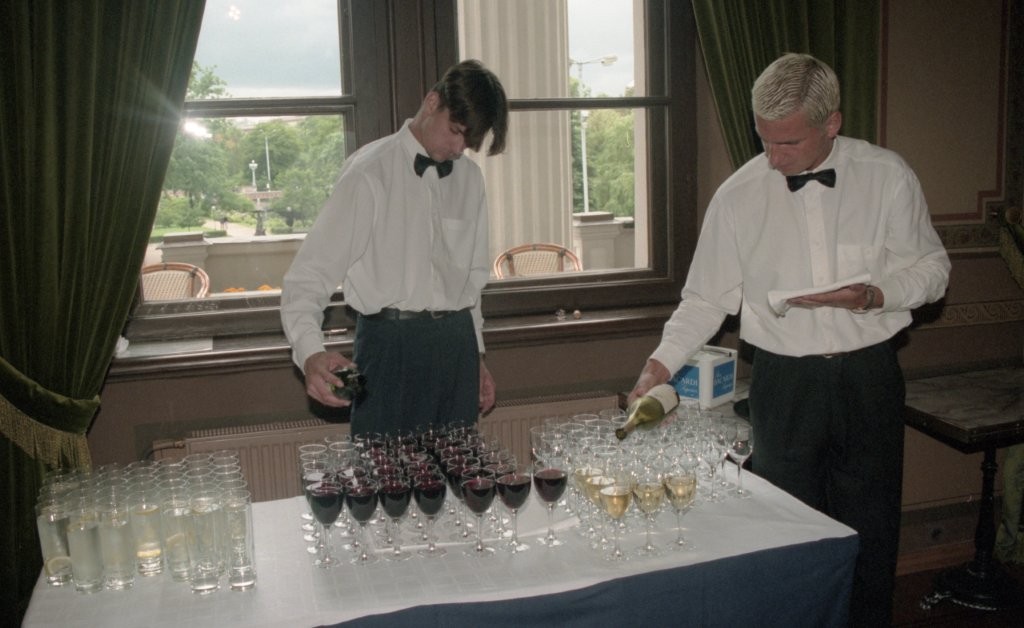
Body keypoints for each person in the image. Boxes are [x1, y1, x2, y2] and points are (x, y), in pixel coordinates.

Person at [628, 53, 950, 626]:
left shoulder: (887, 176)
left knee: (871, 532)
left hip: (869, 376)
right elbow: (704, 300)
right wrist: (658, 366)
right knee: (787, 535)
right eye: (765, 141)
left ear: (832, 123)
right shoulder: (738, 195)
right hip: (784, 384)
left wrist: (875, 295)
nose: (773, 158)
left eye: (789, 143)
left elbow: (933, 270)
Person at [281, 59, 508, 438]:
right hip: (389, 347)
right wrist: (311, 353)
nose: (458, 149)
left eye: (468, 142)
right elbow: (308, 277)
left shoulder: (470, 178)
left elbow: (471, 283)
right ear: (432, 102)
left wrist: (477, 357)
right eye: (455, 132)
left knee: (458, 468)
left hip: (457, 345)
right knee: (383, 470)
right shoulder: (367, 172)